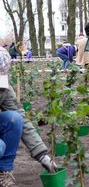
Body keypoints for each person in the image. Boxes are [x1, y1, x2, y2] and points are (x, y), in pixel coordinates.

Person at [0, 47, 56, 186]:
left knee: (14, 119)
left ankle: (3, 172)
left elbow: (21, 118)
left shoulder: (3, 88)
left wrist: (42, 155)